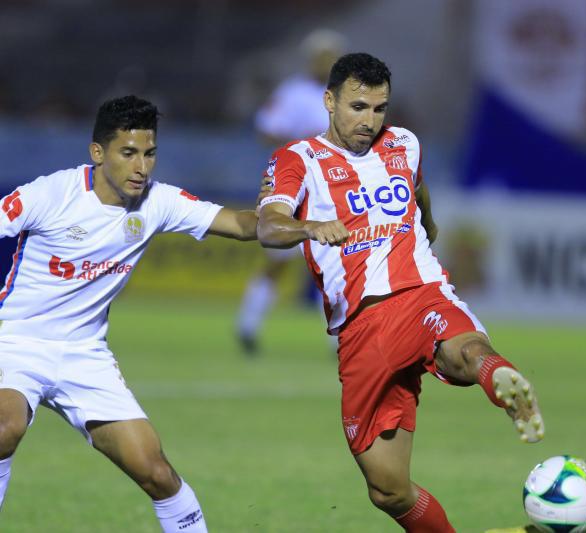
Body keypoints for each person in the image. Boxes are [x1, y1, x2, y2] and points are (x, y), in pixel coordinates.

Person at [257, 52, 545, 531]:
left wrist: (426, 227)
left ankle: (500, 378)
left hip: (419, 292)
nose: (369, 121)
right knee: (388, 489)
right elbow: (269, 227)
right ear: (329, 102)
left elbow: (418, 189)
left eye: (379, 108)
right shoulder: (297, 160)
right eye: (357, 107)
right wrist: (310, 227)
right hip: (360, 329)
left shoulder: (403, 144)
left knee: (465, 348)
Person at [0, 95, 265, 532]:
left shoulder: (158, 202)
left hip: (85, 355)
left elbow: (241, 225)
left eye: (150, 153)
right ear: (98, 153)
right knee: (4, 428)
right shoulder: (52, 193)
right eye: (128, 153)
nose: (142, 166)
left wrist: (294, 218)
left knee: (156, 471)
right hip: (18, 343)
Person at [237, 29, 346, 354]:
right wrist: (301, 148)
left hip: (335, 189)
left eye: (331, 56)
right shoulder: (294, 92)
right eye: (321, 56)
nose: (325, 62)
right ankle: (247, 325)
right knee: (278, 262)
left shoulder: (345, 94)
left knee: (336, 263)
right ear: (310, 59)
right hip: (297, 188)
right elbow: (267, 129)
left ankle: (341, 341)